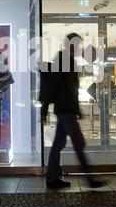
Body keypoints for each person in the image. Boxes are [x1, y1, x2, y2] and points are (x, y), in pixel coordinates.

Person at [41, 33, 106, 189]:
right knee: (78, 142)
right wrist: (44, 110)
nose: (78, 48)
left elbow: (69, 88)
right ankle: (89, 179)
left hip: (66, 108)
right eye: (77, 44)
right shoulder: (64, 60)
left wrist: (77, 110)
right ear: (71, 44)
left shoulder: (67, 60)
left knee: (59, 143)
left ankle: (51, 178)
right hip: (65, 109)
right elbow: (54, 86)